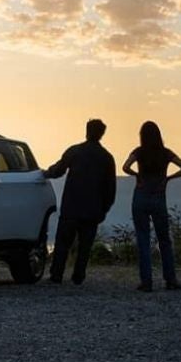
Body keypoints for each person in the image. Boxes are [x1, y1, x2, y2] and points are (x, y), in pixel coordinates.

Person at [42, 119, 117, 285]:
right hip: (93, 209)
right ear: (102, 134)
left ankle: (56, 274)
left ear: (87, 130)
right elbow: (110, 188)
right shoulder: (107, 158)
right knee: (85, 246)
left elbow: (58, 170)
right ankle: (78, 276)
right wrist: (104, 209)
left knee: (62, 243)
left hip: (71, 206)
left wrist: (44, 174)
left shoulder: (75, 151)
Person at [122, 121, 181, 292]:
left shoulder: (138, 152)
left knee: (143, 240)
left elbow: (125, 167)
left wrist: (136, 175)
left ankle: (146, 282)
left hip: (141, 196)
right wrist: (168, 179)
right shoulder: (166, 153)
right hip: (159, 198)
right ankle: (171, 279)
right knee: (164, 240)